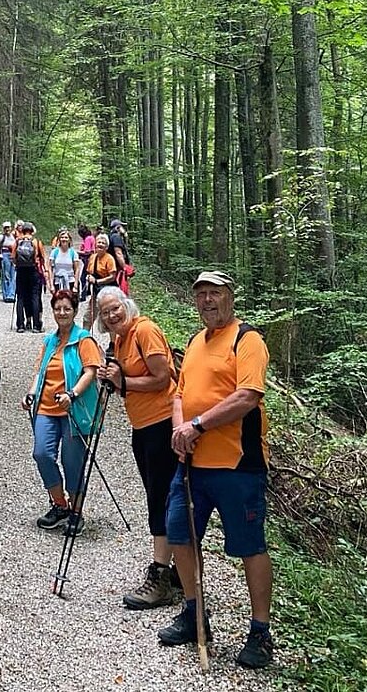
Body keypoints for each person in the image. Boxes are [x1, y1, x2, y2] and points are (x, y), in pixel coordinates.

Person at [158, 270, 273, 670]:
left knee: (248, 545)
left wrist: (198, 425)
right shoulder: (194, 342)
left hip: (237, 464)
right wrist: (180, 430)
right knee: (180, 535)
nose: (207, 300)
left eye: (214, 293)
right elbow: (179, 394)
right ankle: (194, 614)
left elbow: (247, 396)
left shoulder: (247, 340)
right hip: (191, 464)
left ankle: (260, 631)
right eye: (201, 294)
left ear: (230, 297)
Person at [96, 287, 179, 608]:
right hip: (142, 426)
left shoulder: (145, 331)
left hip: (162, 424)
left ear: (126, 305)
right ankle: (179, 567)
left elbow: (163, 378)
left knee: (161, 497)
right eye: (105, 312)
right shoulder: (120, 340)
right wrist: (113, 380)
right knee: (158, 495)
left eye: (115, 308)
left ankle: (161, 575)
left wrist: (124, 382)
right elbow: (126, 386)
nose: (111, 315)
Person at [21, 289, 102, 534]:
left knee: (72, 461)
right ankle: (59, 504)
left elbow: (91, 372)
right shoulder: (49, 341)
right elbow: (40, 372)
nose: (62, 313)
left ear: (75, 311)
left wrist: (72, 394)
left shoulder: (84, 340)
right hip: (46, 408)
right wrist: (31, 393)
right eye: (58, 309)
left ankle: (76, 511)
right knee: (42, 454)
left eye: (67, 308)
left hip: (73, 410)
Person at [11, 223, 49, 333]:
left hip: (21, 272)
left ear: (22, 230)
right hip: (34, 271)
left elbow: (13, 257)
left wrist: (18, 264)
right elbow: (43, 257)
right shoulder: (36, 242)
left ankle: (20, 325)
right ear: (32, 231)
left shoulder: (17, 241)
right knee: (35, 296)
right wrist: (45, 271)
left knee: (20, 297)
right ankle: (36, 325)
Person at [83, 233, 117, 330]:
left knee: (110, 318)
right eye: (99, 242)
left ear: (106, 247)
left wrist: (97, 281)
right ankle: (84, 336)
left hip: (108, 293)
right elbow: (89, 272)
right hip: (96, 292)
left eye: (103, 243)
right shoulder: (92, 257)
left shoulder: (109, 259)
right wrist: (89, 278)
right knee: (88, 317)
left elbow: (112, 277)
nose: (100, 244)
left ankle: (114, 339)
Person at [48, 230, 81, 294]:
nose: (64, 239)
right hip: (58, 281)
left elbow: (77, 269)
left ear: (69, 240)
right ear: (59, 239)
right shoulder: (54, 252)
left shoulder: (73, 253)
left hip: (70, 280)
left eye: (66, 237)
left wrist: (76, 284)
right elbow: (50, 268)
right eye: (62, 237)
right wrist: (51, 285)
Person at [0, 221, 16, 302]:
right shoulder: (1, 237)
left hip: (13, 256)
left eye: (8, 227)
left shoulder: (13, 236)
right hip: (5, 256)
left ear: (11, 228)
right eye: (5, 228)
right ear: (3, 229)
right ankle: (6, 295)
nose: (7, 229)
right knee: (6, 275)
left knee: (13, 276)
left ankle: (11, 295)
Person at [109, 219, 133, 295]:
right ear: (118, 227)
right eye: (122, 226)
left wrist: (125, 237)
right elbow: (118, 253)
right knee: (120, 290)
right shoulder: (116, 237)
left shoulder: (112, 236)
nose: (124, 228)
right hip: (118, 268)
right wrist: (125, 267)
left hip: (114, 267)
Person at [77, 224, 96, 301]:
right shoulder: (92, 237)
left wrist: (78, 252)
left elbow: (87, 251)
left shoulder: (87, 239)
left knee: (83, 278)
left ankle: (83, 295)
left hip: (88, 261)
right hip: (92, 260)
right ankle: (88, 291)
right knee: (90, 276)